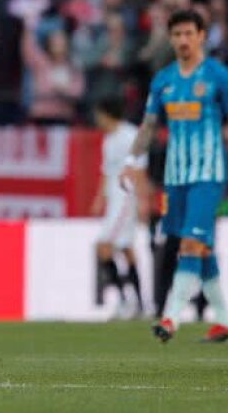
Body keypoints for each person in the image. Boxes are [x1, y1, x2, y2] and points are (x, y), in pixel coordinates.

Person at [123, 8, 228, 344]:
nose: (182, 40)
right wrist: (130, 159)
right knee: (201, 248)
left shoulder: (219, 76)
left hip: (209, 175)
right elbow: (149, 126)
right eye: (176, 35)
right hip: (175, 177)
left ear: (202, 36)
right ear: (170, 38)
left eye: (188, 34)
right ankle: (226, 322)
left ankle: (170, 317)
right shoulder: (163, 80)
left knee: (190, 244)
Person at [91, 97, 143, 320]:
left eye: (98, 115)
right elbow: (107, 171)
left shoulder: (129, 135)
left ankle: (125, 301)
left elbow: (139, 169)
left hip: (125, 198)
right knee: (126, 249)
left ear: (106, 114)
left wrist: (142, 200)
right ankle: (139, 304)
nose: (96, 120)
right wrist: (100, 198)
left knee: (103, 247)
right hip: (114, 200)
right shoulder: (109, 139)